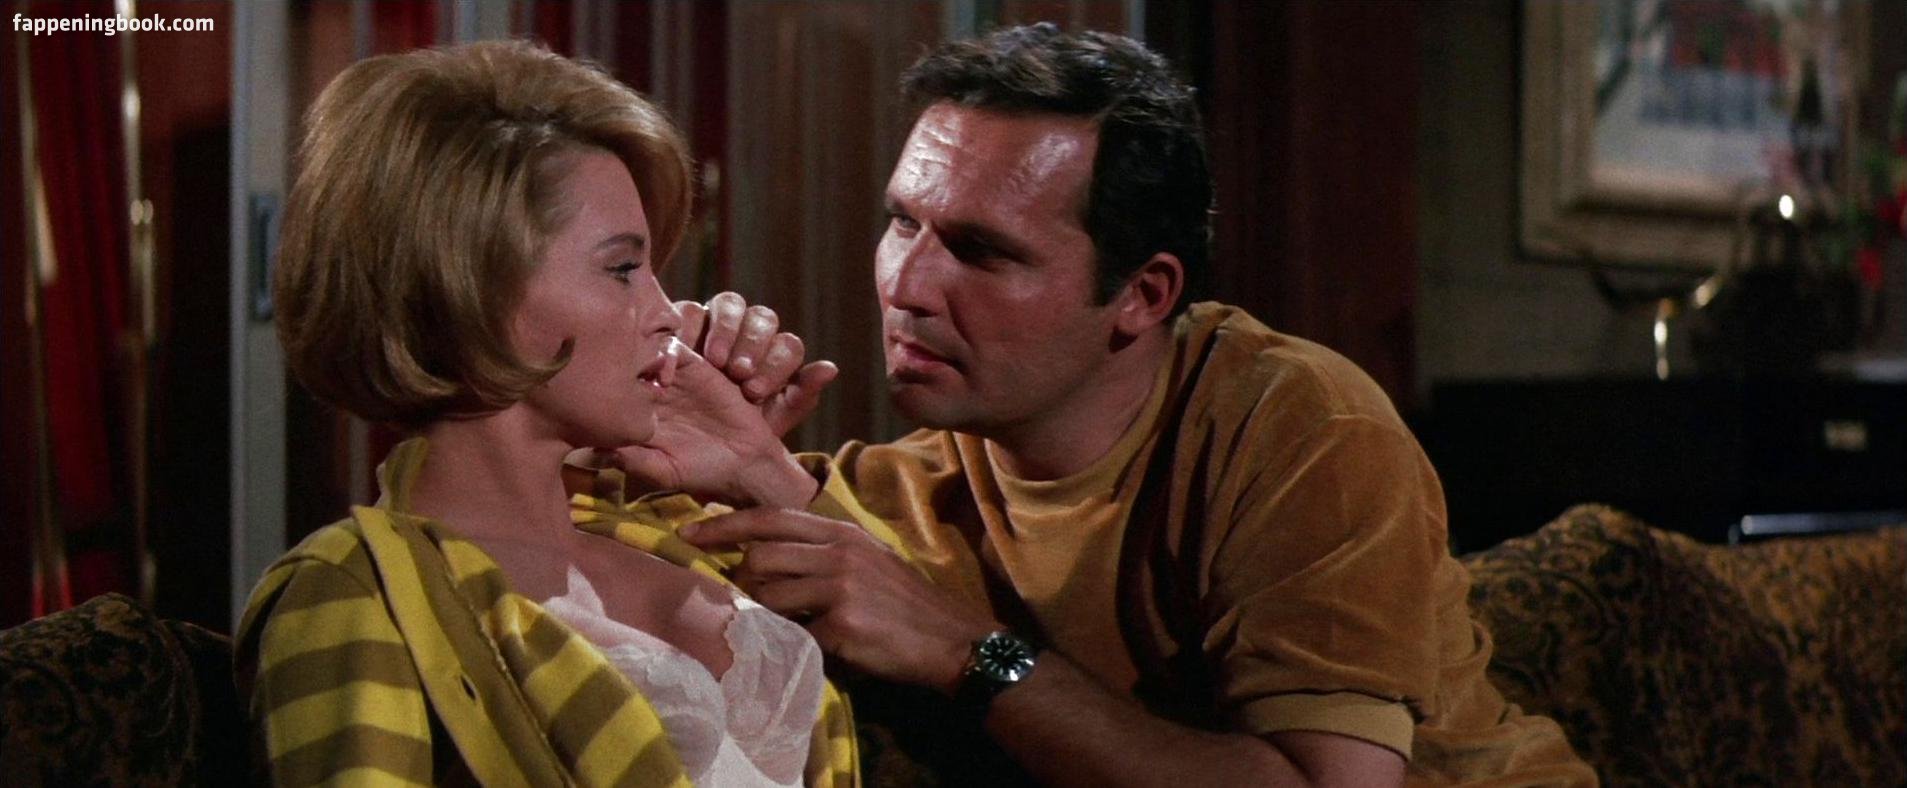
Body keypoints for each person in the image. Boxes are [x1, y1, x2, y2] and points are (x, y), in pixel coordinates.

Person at [676, 24, 1597, 786]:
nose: (906, 286)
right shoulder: (913, 487)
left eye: (981, 251)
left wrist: (970, 650)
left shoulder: (1299, 428)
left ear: (1143, 295)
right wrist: (695, 408)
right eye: (903, 221)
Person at [236, 40, 887, 786]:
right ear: (471, 285)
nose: (666, 312)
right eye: (622, 268)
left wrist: (757, 468)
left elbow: (922, 680)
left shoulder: (669, 537)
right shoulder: (362, 589)